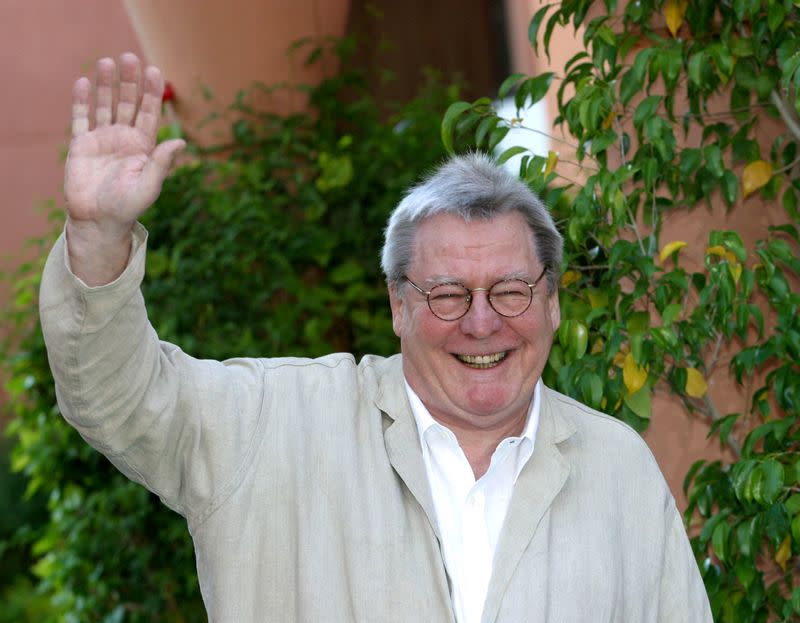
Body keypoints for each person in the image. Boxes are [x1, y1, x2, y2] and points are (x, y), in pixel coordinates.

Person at [41, 53, 712, 622]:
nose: (482, 321)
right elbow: (118, 398)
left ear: (553, 302)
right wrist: (99, 237)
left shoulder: (619, 469)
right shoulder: (271, 427)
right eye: (447, 293)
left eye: (511, 290)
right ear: (397, 305)